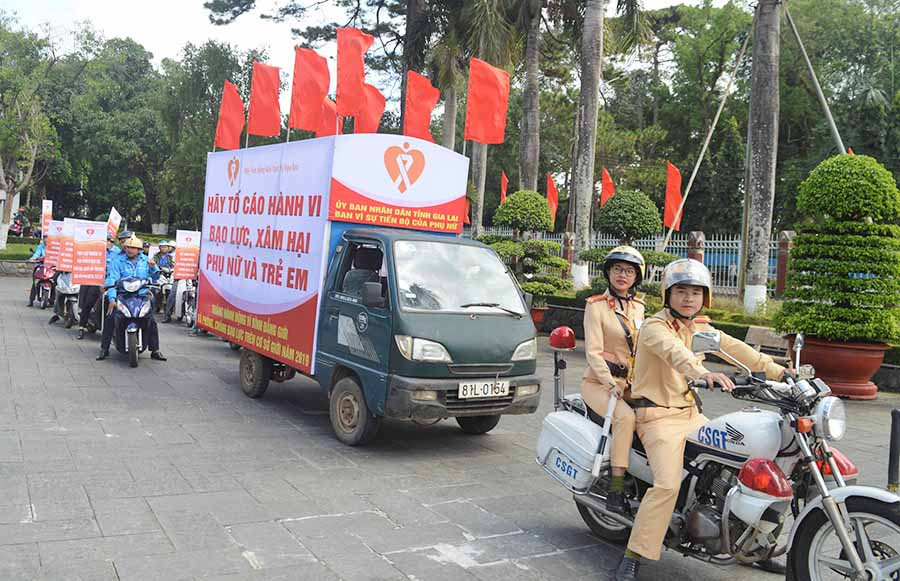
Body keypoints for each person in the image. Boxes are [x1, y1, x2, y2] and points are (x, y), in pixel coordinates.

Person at [615, 258, 792, 581]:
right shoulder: (654, 327)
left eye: (696, 293)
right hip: (657, 418)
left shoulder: (700, 329)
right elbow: (676, 354)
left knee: (745, 464)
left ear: (705, 297)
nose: (688, 298)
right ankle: (633, 555)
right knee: (667, 485)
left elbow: (737, 350)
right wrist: (703, 372)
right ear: (668, 294)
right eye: (681, 291)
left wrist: (782, 372)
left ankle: (757, 547)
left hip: (692, 415)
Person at [581, 246, 645, 515]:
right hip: (598, 384)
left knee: (657, 411)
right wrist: (610, 384)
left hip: (630, 384)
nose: (622, 275)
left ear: (637, 277)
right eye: (617, 269)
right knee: (626, 418)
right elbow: (593, 353)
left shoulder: (640, 307)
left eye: (629, 271)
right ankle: (615, 489)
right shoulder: (595, 306)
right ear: (608, 272)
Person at [97, 235, 166, 362]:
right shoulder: (117, 262)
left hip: (141, 295)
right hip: (122, 295)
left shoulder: (146, 261)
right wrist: (112, 299)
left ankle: (155, 350)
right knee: (111, 317)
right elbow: (111, 279)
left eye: (134, 248)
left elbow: (156, 278)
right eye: (128, 247)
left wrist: (153, 267)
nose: (131, 250)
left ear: (139, 249)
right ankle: (104, 348)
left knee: (151, 319)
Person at [77, 234, 119, 339]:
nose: (109, 243)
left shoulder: (117, 252)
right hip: (96, 280)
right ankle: (81, 327)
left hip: (111, 282)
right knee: (88, 303)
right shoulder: (95, 251)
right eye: (107, 241)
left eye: (111, 241)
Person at [27, 240, 46, 307]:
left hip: (51, 267)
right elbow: (36, 254)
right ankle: (31, 300)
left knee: (57, 283)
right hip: (40, 266)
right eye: (45, 238)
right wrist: (34, 258)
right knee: (35, 282)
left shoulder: (55, 247)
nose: (47, 240)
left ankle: (53, 300)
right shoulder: (41, 247)